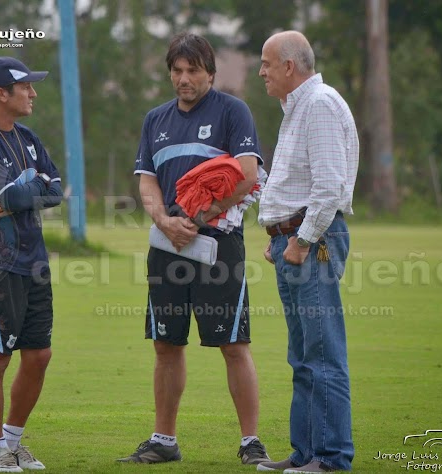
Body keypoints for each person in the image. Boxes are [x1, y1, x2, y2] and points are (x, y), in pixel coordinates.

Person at [117, 32, 271, 465]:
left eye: (193, 71)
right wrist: (165, 221)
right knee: (166, 345)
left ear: (210, 72)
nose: (184, 79)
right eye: (177, 71)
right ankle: (163, 441)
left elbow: (246, 175)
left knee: (233, 344)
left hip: (218, 246)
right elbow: (147, 180)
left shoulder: (232, 111)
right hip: (167, 245)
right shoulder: (155, 120)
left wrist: (198, 219)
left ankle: (250, 442)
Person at [255, 31, 358, 473]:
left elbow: (329, 186)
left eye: (265, 63)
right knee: (303, 357)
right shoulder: (298, 109)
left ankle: (332, 459)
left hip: (310, 244)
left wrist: (299, 239)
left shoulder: (319, 105)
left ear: (289, 67)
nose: (261, 71)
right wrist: (277, 234)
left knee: (321, 356)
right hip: (293, 241)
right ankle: (306, 454)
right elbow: (299, 181)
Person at [0, 56, 63, 472]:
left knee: (39, 355)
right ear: (1, 94)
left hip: (33, 262)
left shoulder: (29, 137)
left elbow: (54, 190)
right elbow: (13, 195)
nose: (33, 93)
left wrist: (25, 189)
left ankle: (14, 442)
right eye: (25, 87)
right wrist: (27, 188)